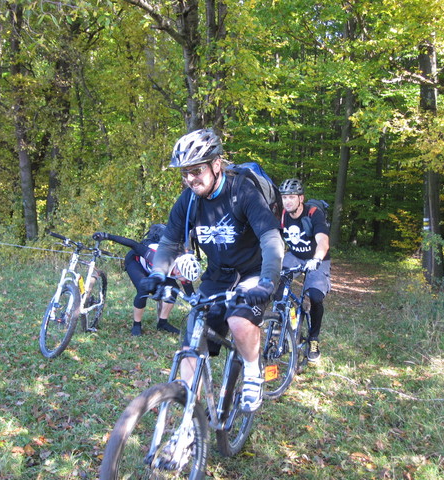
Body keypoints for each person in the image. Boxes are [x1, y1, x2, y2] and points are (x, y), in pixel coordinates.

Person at [140, 128, 284, 413]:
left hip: (253, 272)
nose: (190, 179)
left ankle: (253, 372)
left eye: (196, 170)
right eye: (185, 173)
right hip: (218, 275)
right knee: (193, 341)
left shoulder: (242, 192)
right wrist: (157, 274)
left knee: (239, 321)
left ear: (216, 165)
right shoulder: (188, 201)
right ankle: (190, 418)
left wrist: (268, 280)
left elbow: (271, 238)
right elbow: (168, 244)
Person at [92, 229, 195, 336]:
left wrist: (201, 309)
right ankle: (137, 324)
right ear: (178, 271)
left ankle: (162, 323)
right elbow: (133, 244)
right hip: (136, 261)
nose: (187, 281)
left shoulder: (185, 268)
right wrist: (106, 235)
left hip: (157, 269)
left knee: (173, 288)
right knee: (144, 288)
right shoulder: (154, 255)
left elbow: (192, 296)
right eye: (186, 279)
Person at [278, 178, 331, 362]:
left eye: (292, 197)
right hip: (294, 255)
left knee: (315, 296)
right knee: (276, 286)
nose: (287, 201)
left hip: (317, 257)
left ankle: (313, 338)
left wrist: (316, 259)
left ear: (301, 198)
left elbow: (323, 241)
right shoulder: (282, 215)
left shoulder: (313, 213)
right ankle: (282, 323)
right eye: (284, 197)